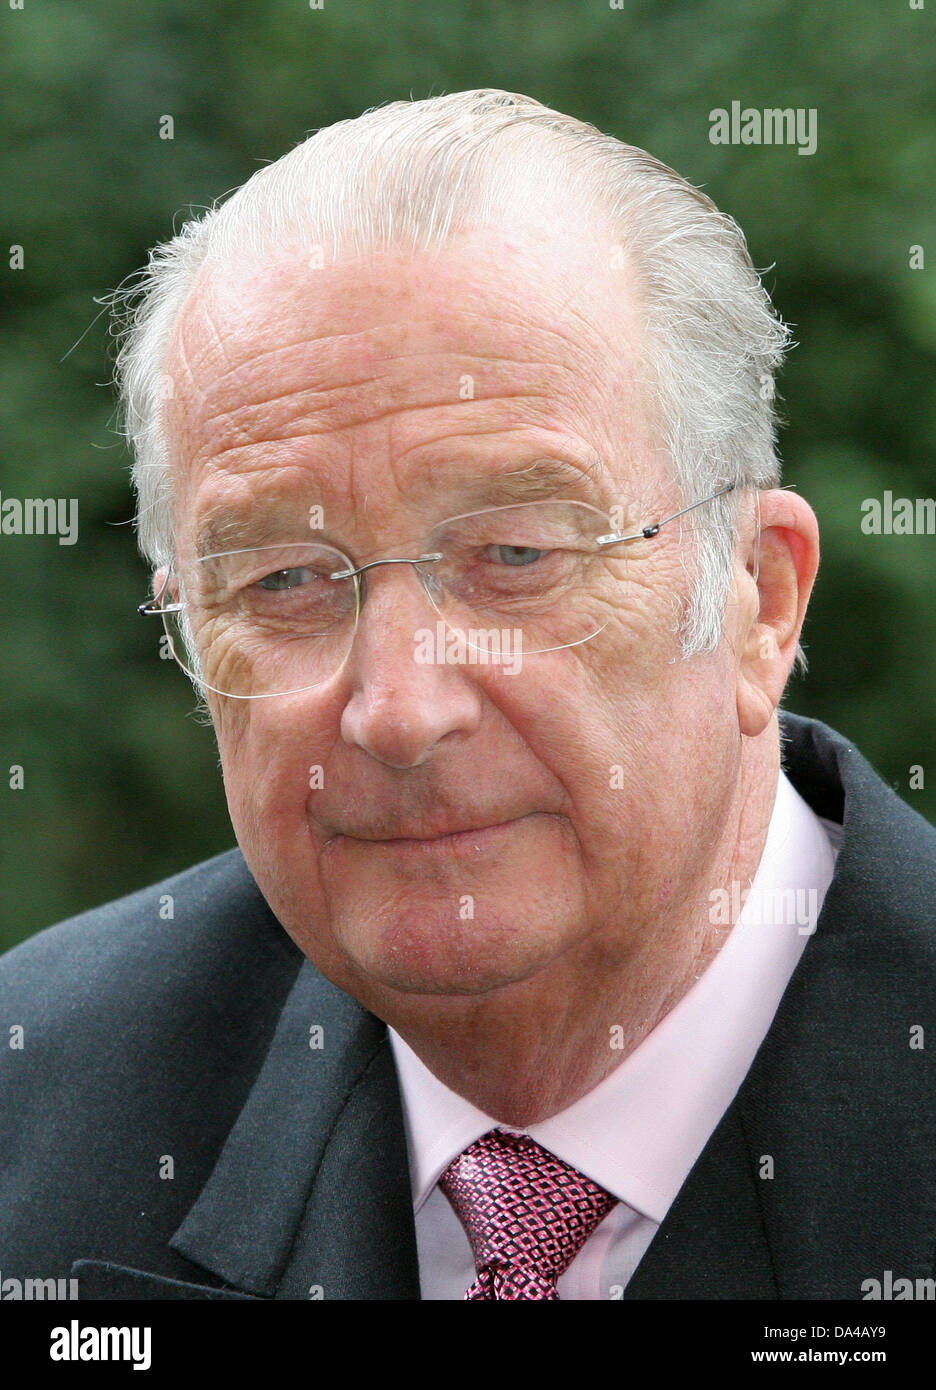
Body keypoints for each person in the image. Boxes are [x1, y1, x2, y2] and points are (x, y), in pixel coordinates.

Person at [1, 89, 933, 1302]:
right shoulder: (36, 1108)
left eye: (515, 558)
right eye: (284, 578)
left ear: (759, 602)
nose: (397, 709)